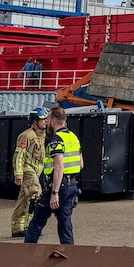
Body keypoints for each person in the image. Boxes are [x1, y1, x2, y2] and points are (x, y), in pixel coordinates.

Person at [25, 105, 81, 245]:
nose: (47, 122)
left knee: (37, 221)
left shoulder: (55, 140)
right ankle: (69, 254)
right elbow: (81, 164)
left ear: (54, 121)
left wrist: (54, 193)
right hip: (71, 186)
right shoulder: (73, 137)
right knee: (65, 223)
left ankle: (25, 254)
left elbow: (59, 166)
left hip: (57, 187)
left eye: (48, 119)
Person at [10, 107, 48, 237]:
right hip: (28, 170)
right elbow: (19, 156)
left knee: (25, 199)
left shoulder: (42, 136)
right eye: (42, 120)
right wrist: (18, 174)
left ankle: (19, 227)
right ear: (34, 121)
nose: (45, 122)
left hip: (37, 171)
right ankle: (30, 226)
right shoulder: (26, 136)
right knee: (35, 194)